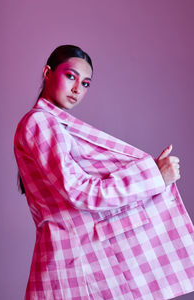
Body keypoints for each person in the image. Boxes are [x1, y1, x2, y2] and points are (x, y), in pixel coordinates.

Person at [14, 45, 194, 300]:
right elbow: (82, 192)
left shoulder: (56, 126)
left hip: (73, 263)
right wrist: (154, 177)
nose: (77, 89)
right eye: (70, 76)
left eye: (85, 83)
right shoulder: (40, 122)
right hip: (71, 268)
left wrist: (152, 173)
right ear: (47, 72)